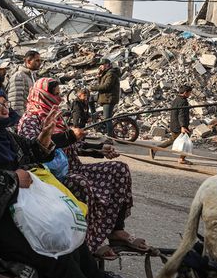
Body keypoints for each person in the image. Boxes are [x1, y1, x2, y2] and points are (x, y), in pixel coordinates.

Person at [0, 86, 128, 278]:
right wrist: (14, 179)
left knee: (67, 232)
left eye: (5, 104)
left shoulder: (3, 136)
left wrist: (44, 139)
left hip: (15, 210)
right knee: (53, 256)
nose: (4, 109)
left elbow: (30, 151)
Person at [18, 78, 145, 260]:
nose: (59, 99)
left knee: (119, 169)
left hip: (74, 167)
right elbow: (33, 149)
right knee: (81, 184)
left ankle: (116, 230)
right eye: (55, 94)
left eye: (60, 94)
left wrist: (100, 150)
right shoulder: (30, 120)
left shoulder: (55, 115)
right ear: (43, 95)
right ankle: (88, 244)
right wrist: (69, 136)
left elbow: (74, 146)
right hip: (51, 176)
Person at [151, 85, 193, 164]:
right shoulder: (183, 101)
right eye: (189, 93)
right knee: (185, 141)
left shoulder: (176, 99)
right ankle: (182, 159)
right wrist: (183, 126)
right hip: (179, 126)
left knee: (173, 140)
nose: (190, 94)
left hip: (174, 124)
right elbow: (181, 114)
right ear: (185, 93)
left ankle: (155, 149)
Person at [90, 58, 121, 137]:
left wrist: (93, 88)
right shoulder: (106, 73)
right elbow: (101, 83)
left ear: (107, 65)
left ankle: (110, 138)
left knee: (107, 118)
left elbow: (106, 87)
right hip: (104, 96)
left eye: (102, 65)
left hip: (109, 98)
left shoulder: (111, 74)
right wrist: (99, 75)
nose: (100, 67)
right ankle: (94, 116)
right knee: (90, 99)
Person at [7, 50, 42, 115]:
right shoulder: (19, 76)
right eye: (37, 60)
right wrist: (20, 118)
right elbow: (16, 101)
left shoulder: (32, 75)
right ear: (28, 61)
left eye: (40, 60)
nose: (40, 63)